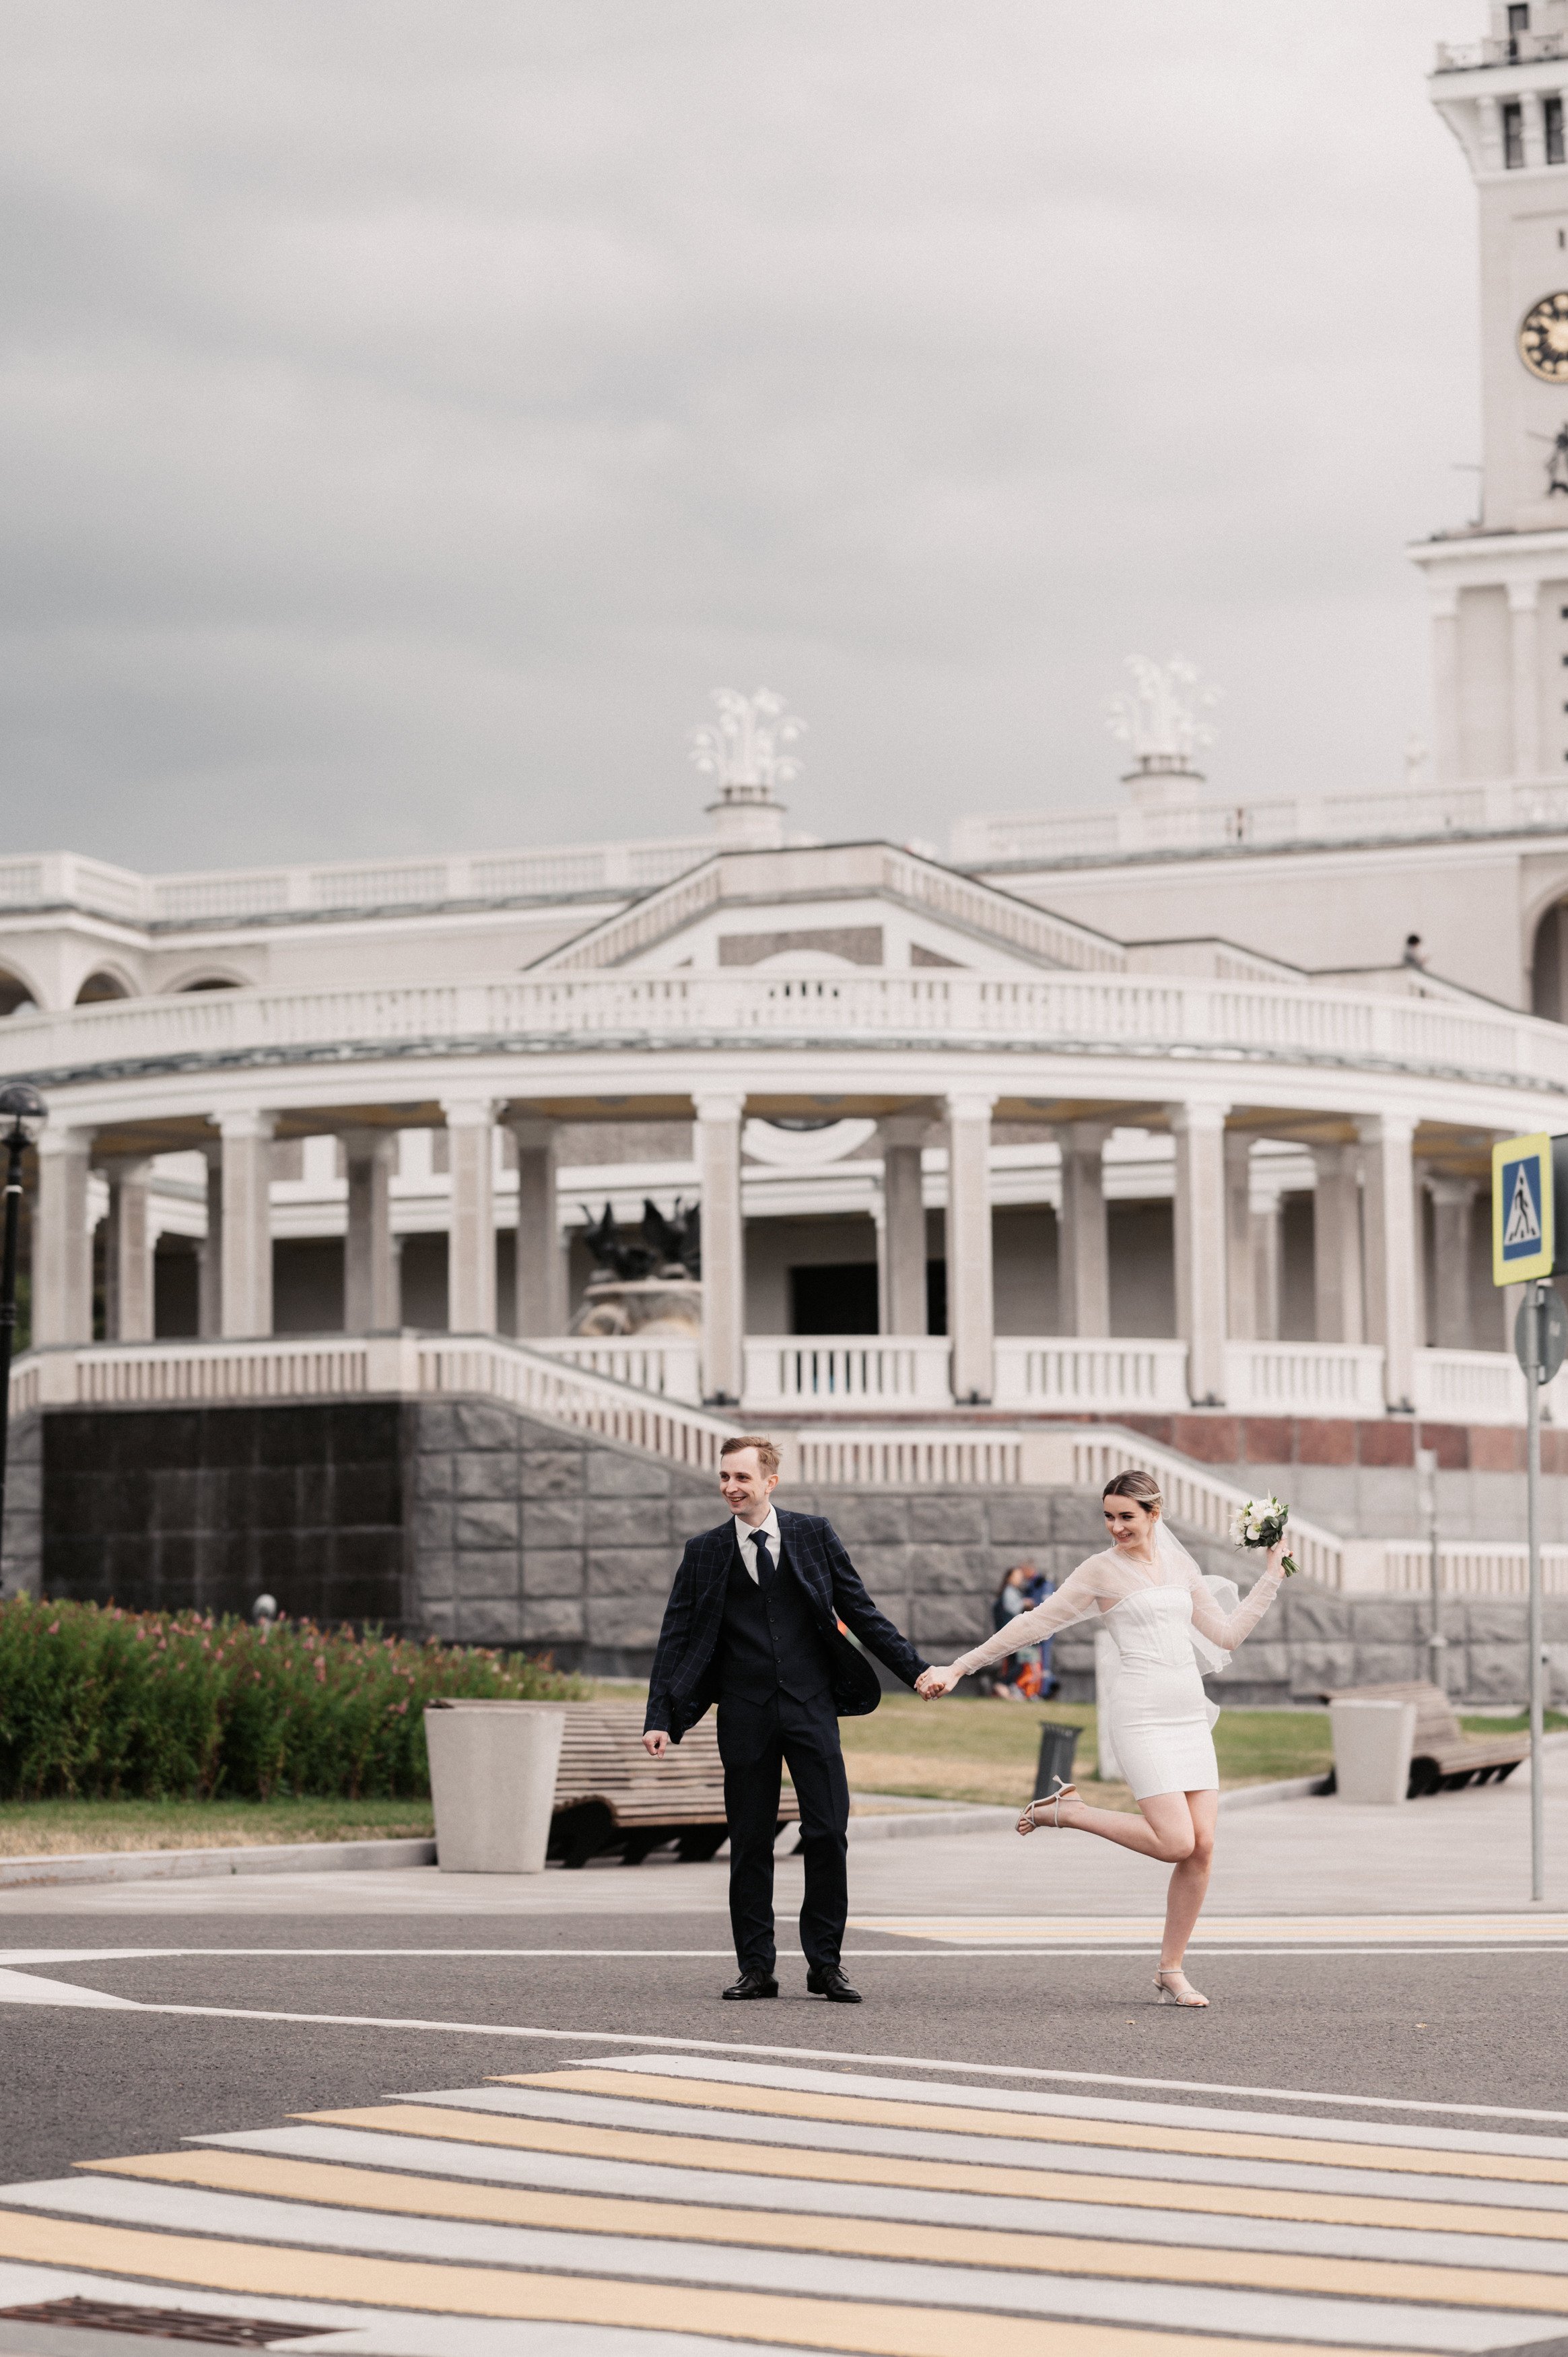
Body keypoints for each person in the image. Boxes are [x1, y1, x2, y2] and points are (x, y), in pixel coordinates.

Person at [916, 1469, 1287, 2007]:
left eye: (1126, 1517)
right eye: (1109, 1516)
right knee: (1175, 1842)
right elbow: (1032, 1625)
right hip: (1140, 1715)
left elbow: (1226, 1635)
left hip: (1187, 1717)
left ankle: (1170, 1969)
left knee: (1202, 1848)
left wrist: (1271, 1574)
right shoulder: (1098, 1572)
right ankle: (1067, 1810)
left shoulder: (1181, 1565)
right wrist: (959, 1667)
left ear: (1154, 1515)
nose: (1115, 1527)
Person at [642, 1434, 929, 2005]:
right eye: (724, 1477)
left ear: (770, 1482)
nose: (730, 1487)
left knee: (827, 1833)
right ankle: (756, 1969)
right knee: (750, 1842)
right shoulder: (702, 1551)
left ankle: (825, 1965)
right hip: (743, 1713)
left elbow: (859, 1609)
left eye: (741, 1478)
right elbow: (674, 1636)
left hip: (810, 1707)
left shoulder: (811, 1534)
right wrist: (660, 1717)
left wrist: (915, 1670)